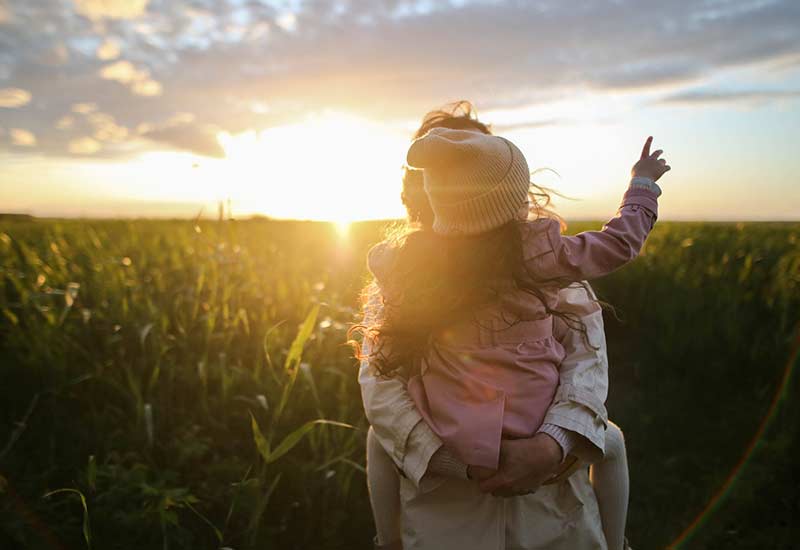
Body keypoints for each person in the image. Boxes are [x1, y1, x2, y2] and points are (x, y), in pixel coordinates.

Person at [356, 103, 668, 549]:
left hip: (554, 506)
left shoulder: (409, 268)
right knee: (611, 440)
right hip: (442, 507)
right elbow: (381, 383)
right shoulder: (543, 258)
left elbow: (586, 362)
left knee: (377, 445)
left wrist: (551, 445)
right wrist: (449, 461)